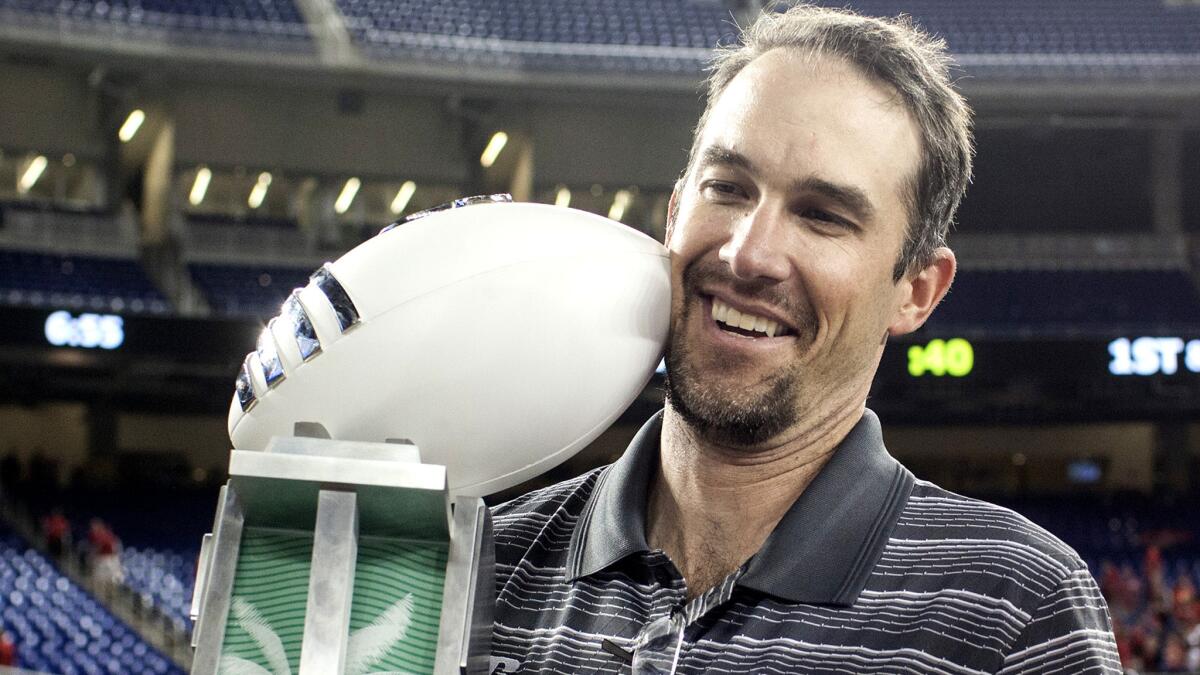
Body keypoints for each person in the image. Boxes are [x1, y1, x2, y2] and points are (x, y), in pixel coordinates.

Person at [489, 4, 1121, 674]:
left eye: (822, 216)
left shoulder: (1014, 611)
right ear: (675, 214)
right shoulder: (481, 563)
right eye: (727, 187)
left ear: (915, 290)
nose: (748, 253)